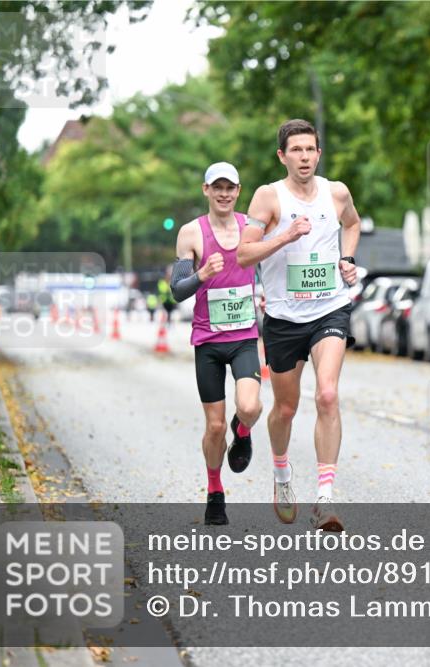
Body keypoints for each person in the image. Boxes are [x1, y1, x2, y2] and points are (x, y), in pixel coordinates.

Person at [238, 119, 359, 531]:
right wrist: (285, 237)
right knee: (286, 408)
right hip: (284, 318)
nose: (304, 157)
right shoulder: (268, 197)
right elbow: (244, 253)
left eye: (310, 149)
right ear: (282, 156)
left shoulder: (336, 191)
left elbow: (353, 224)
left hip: (330, 308)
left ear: (318, 153)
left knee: (327, 395)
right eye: (296, 151)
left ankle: (324, 499)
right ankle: (282, 475)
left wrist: (349, 259)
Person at [170, 161, 263, 525]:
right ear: (206, 190)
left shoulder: (252, 228)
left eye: (231, 187)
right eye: (217, 187)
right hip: (208, 340)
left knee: (251, 406)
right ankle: (214, 490)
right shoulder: (190, 233)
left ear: (239, 191)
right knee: (213, 427)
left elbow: (268, 266)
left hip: (243, 337)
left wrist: (267, 295)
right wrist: (200, 275)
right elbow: (177, 291)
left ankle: (244, 433)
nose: (224, 193)